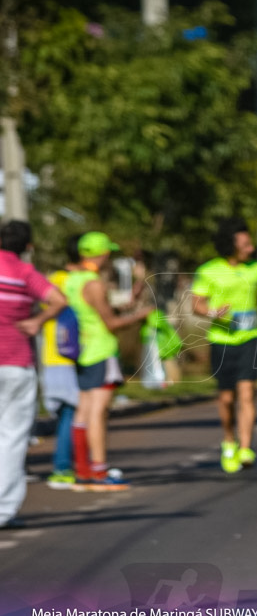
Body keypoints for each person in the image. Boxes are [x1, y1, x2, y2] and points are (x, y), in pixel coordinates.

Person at [191, 218, 257, 474]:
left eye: (250, 243)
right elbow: (195, 304)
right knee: (226, 398)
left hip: (250, 338)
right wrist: (212, 312)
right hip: (222, 341)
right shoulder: (209, 270)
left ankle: (246, 447)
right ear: (229, 245)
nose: (250, 248)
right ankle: (229, 440)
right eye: (244, 244)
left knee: (247, 393)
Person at [67, 231, 152, 491]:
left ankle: (82, 471)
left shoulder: (72, 280)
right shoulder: (94, 283)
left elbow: (103, 311)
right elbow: (111, 323)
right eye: (108, 253)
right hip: (101, 350)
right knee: (98, 411)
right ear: (101, 254)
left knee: (83, 409)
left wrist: (134, 294)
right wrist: (142, 315)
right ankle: (100, 471)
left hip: (82, 350)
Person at [0, 220, 67, 527]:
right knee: (13, 438)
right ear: (28, 247)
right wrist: (38, 321)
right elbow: (59, 300)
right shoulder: (26, 273)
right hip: (16, 364)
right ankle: (3, 510)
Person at [40, 234, 82, 489]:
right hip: (73, 359)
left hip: (50, 357)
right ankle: (63, 467)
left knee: (64, 413)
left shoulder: (53, 281)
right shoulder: (81, 283)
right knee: (71, 412)